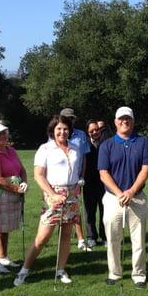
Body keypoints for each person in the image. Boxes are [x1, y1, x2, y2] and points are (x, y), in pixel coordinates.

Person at [14, 115, 82, 286]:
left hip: (72, 194)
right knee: (43, 236)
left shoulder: (75, 148)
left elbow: (76, 171)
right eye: (59, 128)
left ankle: (61, 270)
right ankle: (24, 271)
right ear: (52, 130)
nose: (62, 132)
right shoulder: (45, 149)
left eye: (65, 128)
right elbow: (38, 175)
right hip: (53, 195)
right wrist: (52, 194)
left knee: (66, 235)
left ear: (69, 131)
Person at [98, 107, 148, 289]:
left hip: (137, 198)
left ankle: (139, 274)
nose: (124, 121)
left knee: (138, 240)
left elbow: (145, 170)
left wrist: (131, 191)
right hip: (113, 198)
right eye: (121, 118)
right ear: (115, 122)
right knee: (113, 239)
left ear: (133, 121)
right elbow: (103, 173)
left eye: (128, 118)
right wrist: (121, 193)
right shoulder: (107, 145)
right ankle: (115, 272)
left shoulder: (143, 142)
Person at [0, 120, 28, 273]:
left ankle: (3, 257)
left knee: (4, 228)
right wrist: (17, 189)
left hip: (12, 193)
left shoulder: (11, 150)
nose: (1, 136)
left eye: (3, 133)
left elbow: (22, 170)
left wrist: (24, 183)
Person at [60, 108, 92, 251]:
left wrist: (82, 176)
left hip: (76, 179)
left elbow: (84, 157)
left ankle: (80, 239)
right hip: (60, 180)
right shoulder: (57, 134)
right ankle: (62, 238)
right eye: (67, 118)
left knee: (75, 209)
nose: (70, 121)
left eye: (71, 118)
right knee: (58, 211)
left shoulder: (81, 135)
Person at [84, 120, 107, 247]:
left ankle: (105, 237)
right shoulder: (85, 145)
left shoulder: (106, 143)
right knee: (90, 211)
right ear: (88, 133)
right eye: (91, 131)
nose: (94, 132)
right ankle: (91, 236)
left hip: (104, 183)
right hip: (89, 183)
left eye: (96, 130)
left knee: (104, 211)